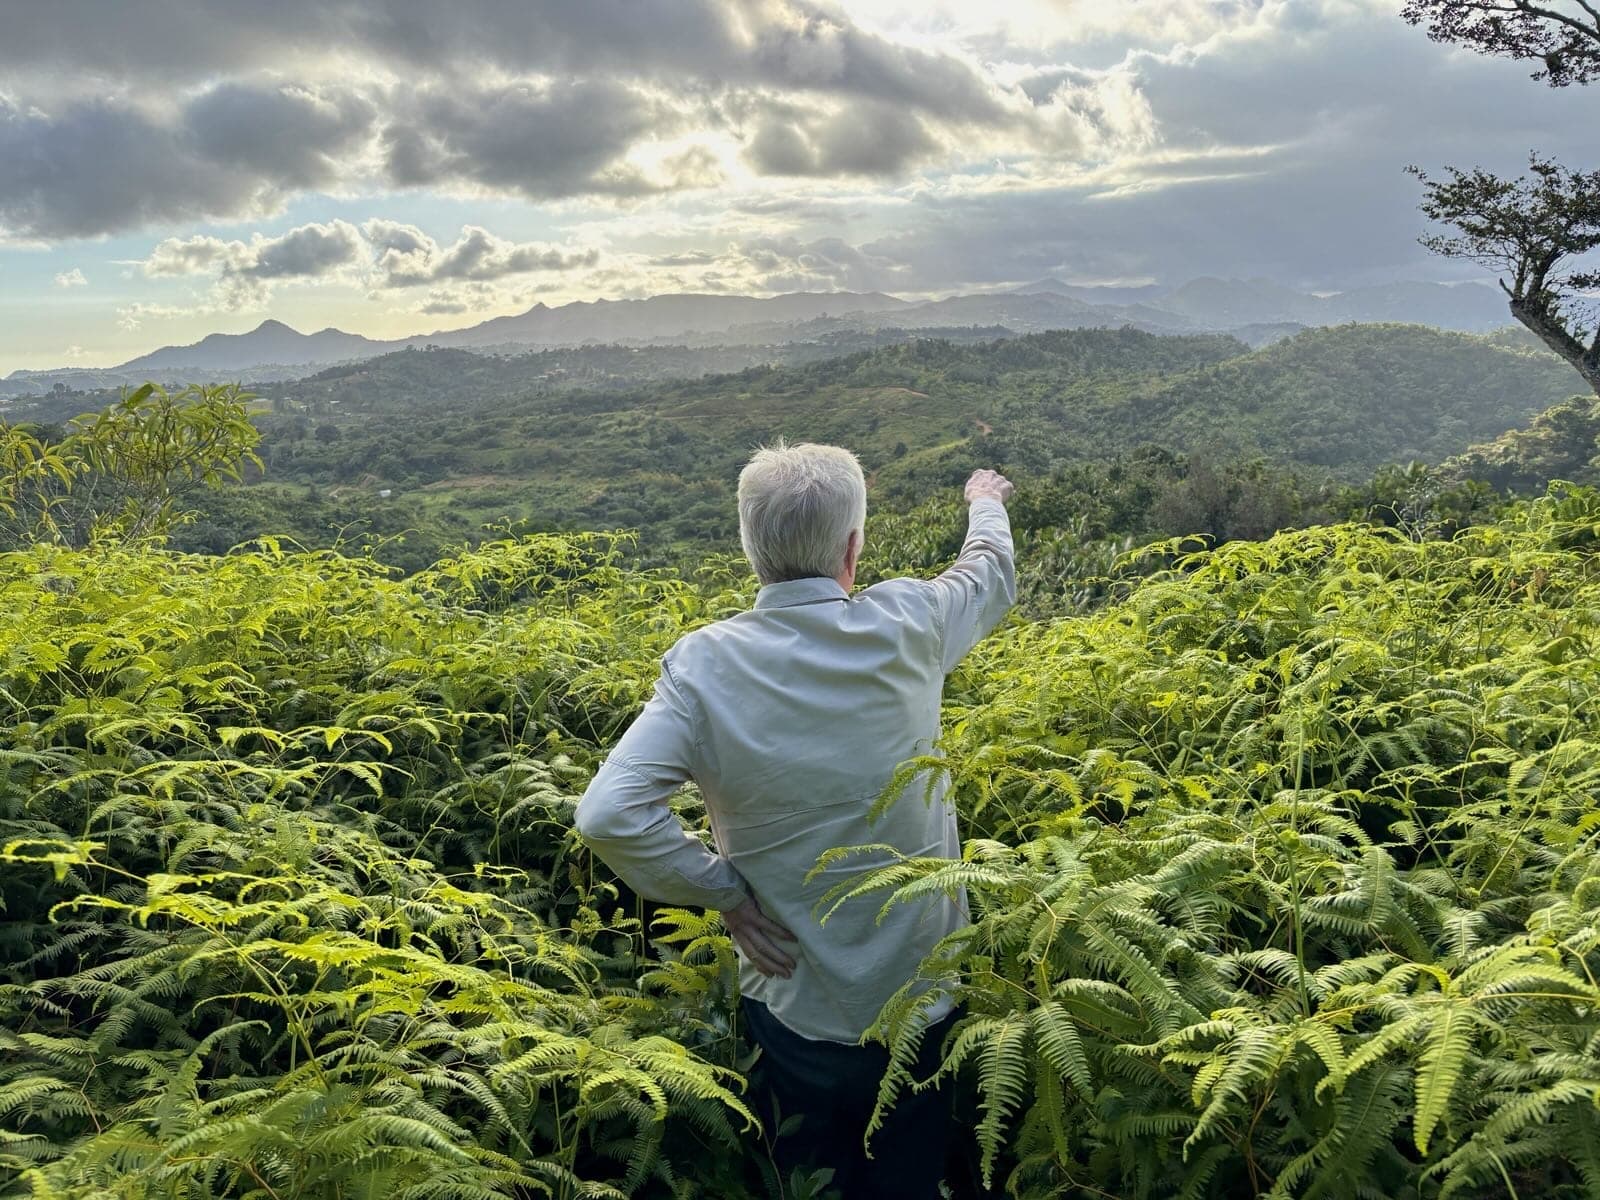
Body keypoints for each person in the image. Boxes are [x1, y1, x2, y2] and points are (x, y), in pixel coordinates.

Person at [575, 442, 1016, 1197]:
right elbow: (987, 575)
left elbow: (608, 814)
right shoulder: (911, 619)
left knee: (809, 1175)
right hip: (923, 1001)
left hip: (792, 1005)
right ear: (854, 548)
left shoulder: (704, 666)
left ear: (751, 550)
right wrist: (985, 501)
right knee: (906, 1177)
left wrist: (724, 894)